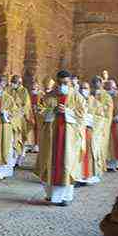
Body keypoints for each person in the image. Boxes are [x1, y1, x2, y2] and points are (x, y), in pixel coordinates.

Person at [35, 70, 83, 205]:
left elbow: (82, 115)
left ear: (70, 82)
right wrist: (51, 111)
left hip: (69, 138)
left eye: (65, 83)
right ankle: (50, 195)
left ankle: (66, 197)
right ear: (56, 82)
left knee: (67, 164)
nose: (62, 85)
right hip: (51, 138)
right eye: (60, 83)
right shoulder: (48, 96)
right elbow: (39, 111)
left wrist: (67, 112)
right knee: (49, 162)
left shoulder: (77, 97)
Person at [75, 81, 101, 185]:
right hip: (77, 133)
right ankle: (77, 176)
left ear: (89, 90)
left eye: (85, 88)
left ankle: (88, 175)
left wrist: (90, 119)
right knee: (77, 154)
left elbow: (101, 117)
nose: (83, 90)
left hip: (89, 132)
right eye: (81, 87)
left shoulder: (95, 102)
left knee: (88, 154)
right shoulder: (74, 100)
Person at [90, 76, 113, 177]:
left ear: (101, 83)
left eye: (97, 82)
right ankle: (90, 169)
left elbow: (108, 109)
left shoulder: (106, 96)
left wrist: (98, 106)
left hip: (101, 125)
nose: (95, 84)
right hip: (90, 124)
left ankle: (99, 168)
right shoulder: (90, 94)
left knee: (99, 146)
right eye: (93, 82)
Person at [7, 74, 32, 165]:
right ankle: (11, 159)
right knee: (11, 138)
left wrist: (18, 112)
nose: (13, 84)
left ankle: (19, 157)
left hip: (20, 118)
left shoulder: (24, 91)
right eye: (12, 82)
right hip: (10, 116)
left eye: (15, 82)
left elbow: (26, 105)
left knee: (20, 137)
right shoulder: (8, 89)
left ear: (19, 83)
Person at [26, 78, 43, 152]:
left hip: (38, 114)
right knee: (29, 128)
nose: (33, 86)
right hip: (30, 113)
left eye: (35, 85)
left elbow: (44, 104)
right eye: (32, 85)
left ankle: (37, 145)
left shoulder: (41, 94)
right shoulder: (28, 94)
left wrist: (38, 107)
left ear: (38, 86)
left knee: (37, 128)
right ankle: (29, 144)